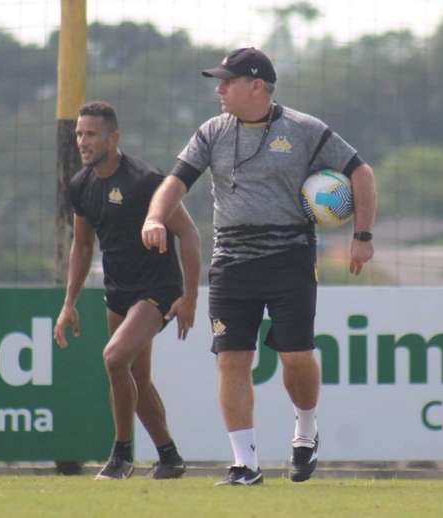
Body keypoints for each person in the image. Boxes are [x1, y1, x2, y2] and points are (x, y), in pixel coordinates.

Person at [142, 47, 376, 485]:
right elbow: (174, 181)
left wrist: (362, 235)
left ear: (256, 86)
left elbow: (361, 173)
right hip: (231, 262)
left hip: (290, 259)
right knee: (231, 359)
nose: (219, 89)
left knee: (296, 357)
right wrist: (155, 217)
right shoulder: (211, 132)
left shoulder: (305, 130)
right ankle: (245, 464)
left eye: (226, 82)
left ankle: (305, 429)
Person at [54, 101, 201, 480]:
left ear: (113, 137)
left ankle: (121, 455)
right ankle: (169, 456)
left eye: (91, 134)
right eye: (79, 135)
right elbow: (83, 246)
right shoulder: (81, 185)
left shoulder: (144, 180)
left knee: (115, 358)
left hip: (158, 288)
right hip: (117, 289)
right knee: (137, 376)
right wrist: (68, 303)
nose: (83, 142)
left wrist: (189, 297)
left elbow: (188, 233)